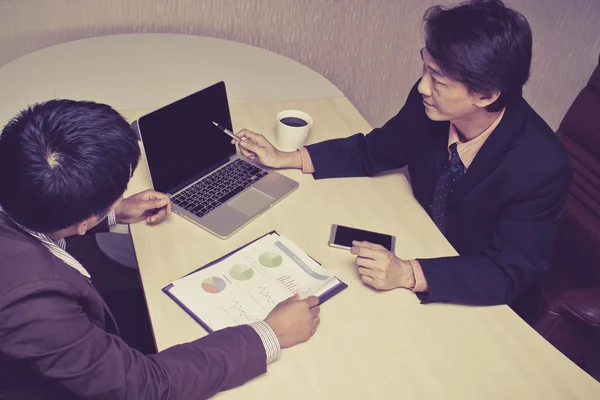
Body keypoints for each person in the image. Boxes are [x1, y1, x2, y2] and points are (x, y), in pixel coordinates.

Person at [231, 0, 572, 307]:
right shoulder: (431, 105)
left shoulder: (541, 167)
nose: (423, 86)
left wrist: (409, 273)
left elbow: (508, 272)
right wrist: (286, 157)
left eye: (438, 79)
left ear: (485, 95)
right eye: (425, 68)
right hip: (419, 238)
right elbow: (377, 149)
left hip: (472, 292)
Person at [0, 99, 321, 399]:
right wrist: (267, 336)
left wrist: (112, 212)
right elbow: (145, 386)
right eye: (115, 193)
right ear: (83, 221)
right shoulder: (35, 307)